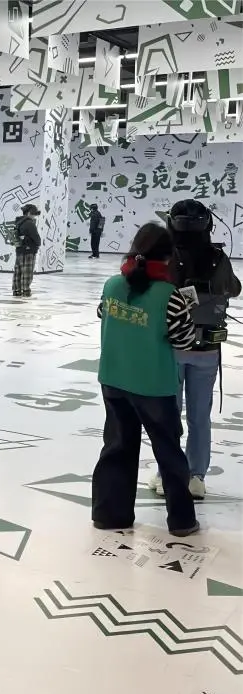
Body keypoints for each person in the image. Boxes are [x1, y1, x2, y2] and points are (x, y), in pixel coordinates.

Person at [92, 222, 199, 536]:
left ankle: (110, 514)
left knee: (117, 446)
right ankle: (181, 520)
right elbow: (184, 342)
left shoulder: (112, 285)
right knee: (168, 452)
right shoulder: (170, 296)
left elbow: (102, 313)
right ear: (168, 257)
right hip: (153, 386)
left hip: (113, 378)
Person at [146, 199, 242, 500]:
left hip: (171, 347)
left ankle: (166, 473)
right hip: (207, 349)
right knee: (200, 417)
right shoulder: (217, 257)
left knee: (168, 416)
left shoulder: (164, 256)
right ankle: (197, 476)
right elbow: (234, 288)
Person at [13, 203, 41, 298]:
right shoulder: (29, 223)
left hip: (19, 249)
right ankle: (26, 290)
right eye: (34, 214)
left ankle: (16, 290)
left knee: (18, 271)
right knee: (27, 271)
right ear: (29, 213)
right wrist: (38, 243)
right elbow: (36, 238)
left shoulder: (18, 222)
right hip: (29, 250)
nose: (34, 216)